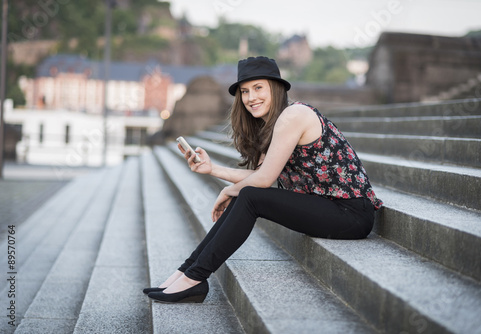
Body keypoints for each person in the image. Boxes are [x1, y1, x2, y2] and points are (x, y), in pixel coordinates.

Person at [145, 56, 383, 303]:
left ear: (276, 89)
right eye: (245, 91)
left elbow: (263, 180)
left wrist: (229, 191)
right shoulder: (270, 125)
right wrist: (212, 169)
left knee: (248, 196)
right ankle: (185, 271)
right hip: (324, 206)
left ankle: (194, 277)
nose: (250, 98)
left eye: (258, 88)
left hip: (351, 213)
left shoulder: (294, 115)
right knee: (247, 194)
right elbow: (259, 176)